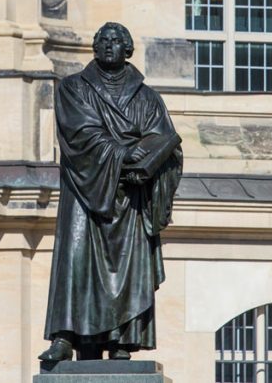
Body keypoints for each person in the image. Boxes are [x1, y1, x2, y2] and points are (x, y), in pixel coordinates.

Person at [39, 22, 183, 362]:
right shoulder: (74, 87)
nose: (108, 45)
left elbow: (167, 142)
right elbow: (79, 134)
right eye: (102, 39)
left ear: (128, 49)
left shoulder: (147, 97)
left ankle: (122, 338)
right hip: (85, 191)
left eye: (116, 40)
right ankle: (65, 336)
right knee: (75, 261)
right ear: (94, 46)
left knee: (129, 266)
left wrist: (149, 163)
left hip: (130, 197)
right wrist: (124, 153)